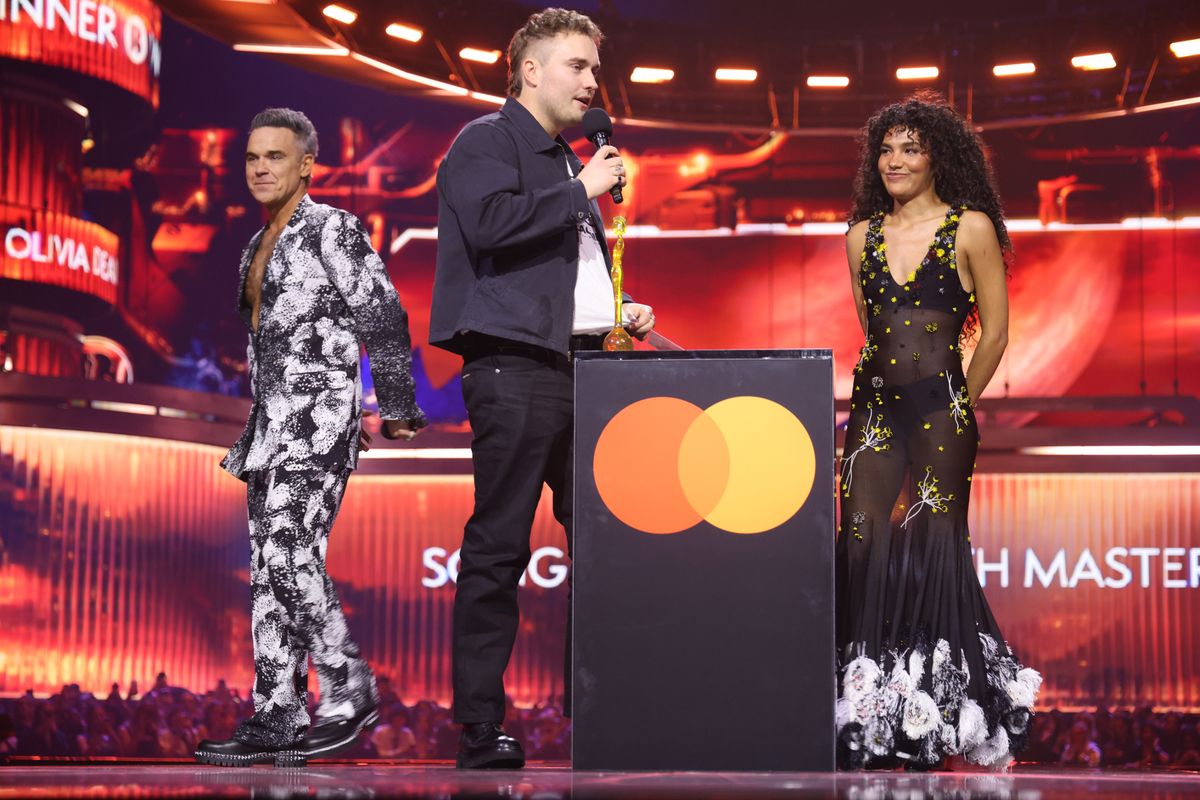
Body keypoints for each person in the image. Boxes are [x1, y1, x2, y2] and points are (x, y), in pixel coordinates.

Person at [429, 7, 654, 769]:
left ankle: (611, 712)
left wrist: (620, 309)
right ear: (530, 70)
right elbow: (491, 226)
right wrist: (583, 185)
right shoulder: (486, 142)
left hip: (582, 366)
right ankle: (479, 729)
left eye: (595, 69)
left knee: (605, 537)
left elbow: (566, 273)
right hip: (514, 366)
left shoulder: (566, 163)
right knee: (499, 545)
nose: (592, 82)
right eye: (577, 66)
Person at [195, 108, 425, 768]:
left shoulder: (333, 228)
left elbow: (382, 311)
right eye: (252, 157)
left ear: (306, 164)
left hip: (317, 424)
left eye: (275, 156)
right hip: (268, 428)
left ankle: (349, 687)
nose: (260, 167)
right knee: (270, 570)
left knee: (289, 553)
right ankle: (278, 712)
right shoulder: (254, 245)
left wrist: (397, 405)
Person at [834, 92, 1039, 770]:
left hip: (942, 412)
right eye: (885, 149)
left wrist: (957, 406)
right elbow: (873, 331)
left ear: (937, 159)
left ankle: (933, 713)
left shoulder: (970, 228)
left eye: (910, 148)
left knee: (930, 547)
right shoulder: (859, 236)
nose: (894, 160)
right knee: (861, 542)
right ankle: (865, 712)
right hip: (873, 412)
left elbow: (996, 332)